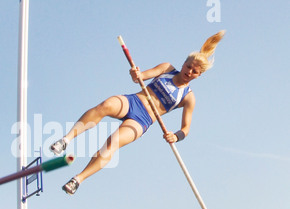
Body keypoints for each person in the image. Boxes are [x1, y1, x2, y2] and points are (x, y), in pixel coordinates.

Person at [50, 31, 226, 195]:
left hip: (142, 121)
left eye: (194, 72)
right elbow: (140, 77)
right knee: (104, 106)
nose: (189, 72)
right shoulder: (167, 68)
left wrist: (176, 136)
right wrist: (136, 74)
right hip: (133, 102)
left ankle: (78, 180)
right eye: (188, 67)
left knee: (112, 143)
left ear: (199, 75)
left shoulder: (188, 98)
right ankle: (65, 140)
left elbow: (186, 129)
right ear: (184, 63)